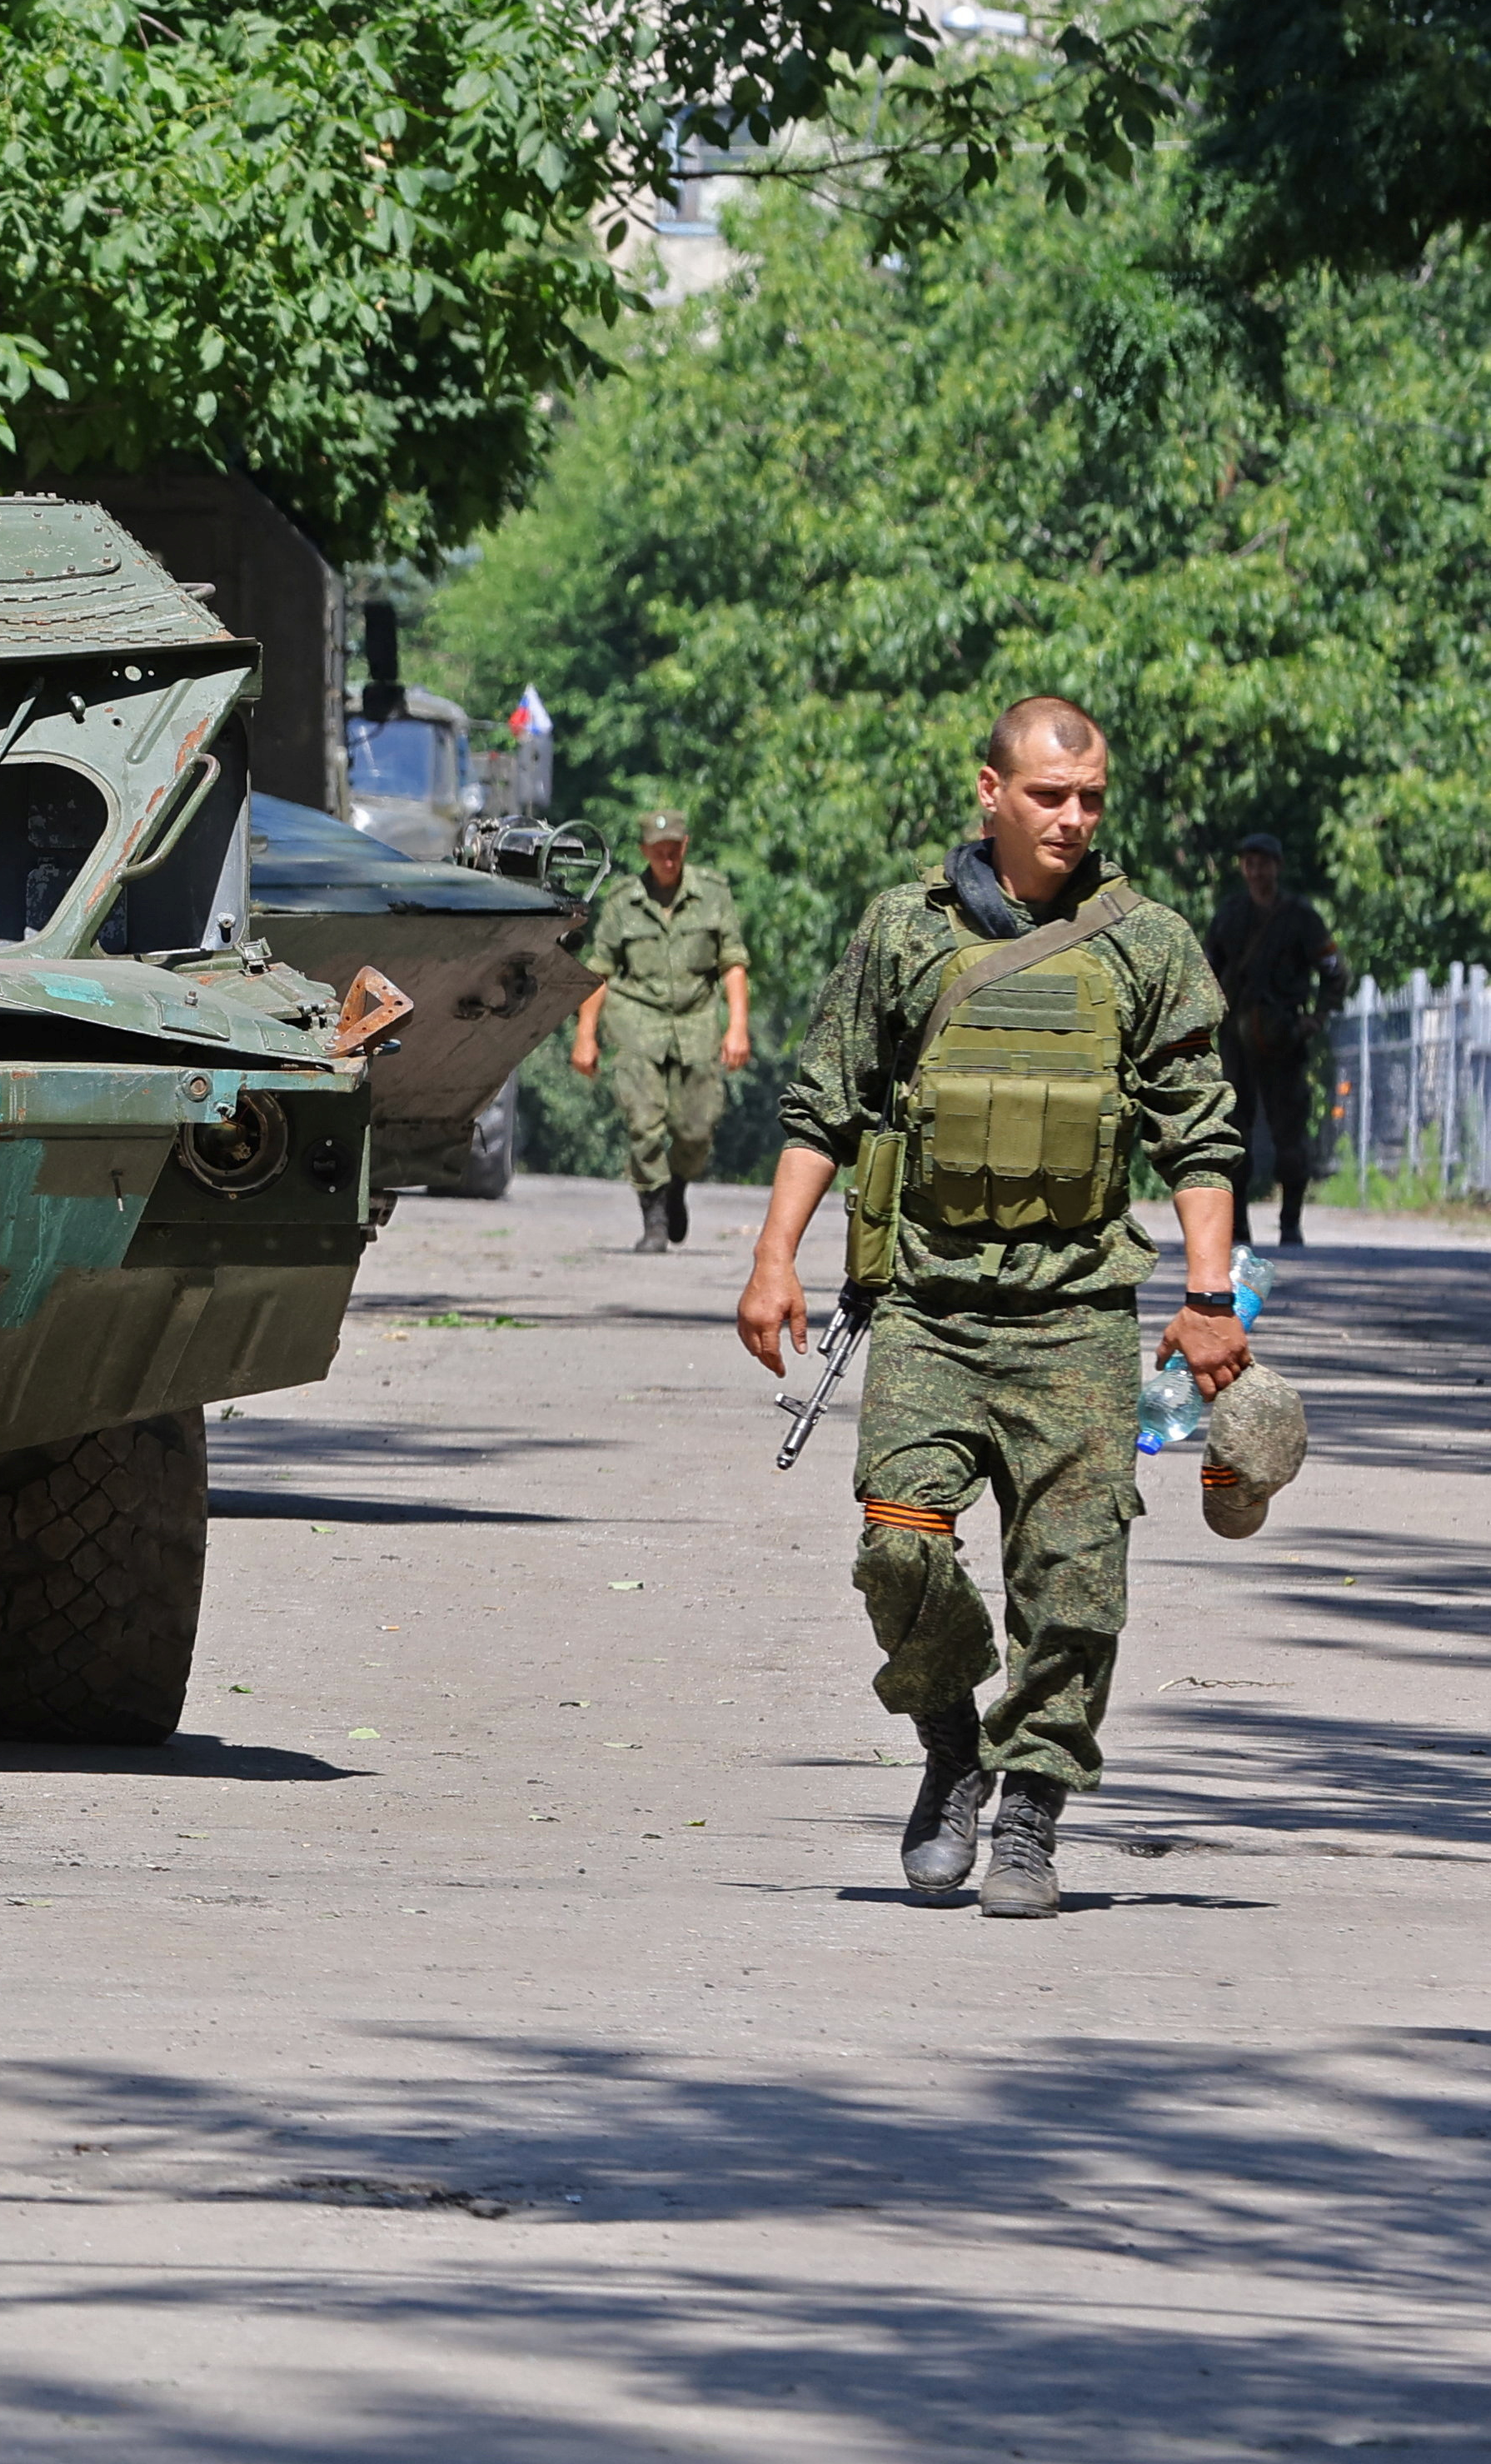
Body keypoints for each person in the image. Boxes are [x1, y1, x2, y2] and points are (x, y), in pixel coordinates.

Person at [734, 697, 1247, 1922]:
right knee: (897, 1545)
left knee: (1075, 1585)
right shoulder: (904, 930)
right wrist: (772, 1258)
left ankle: (1031, 1809)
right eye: (1048, 795)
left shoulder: (1149, 943)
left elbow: (1199, 1132)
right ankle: (952, 1745)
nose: (1072, 818)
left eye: (1091, 798)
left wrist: (1210, 1295)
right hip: (930, 1306)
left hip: (1078, 1315)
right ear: (991, 792)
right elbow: (825, 1104)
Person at [571, 806, 750, 1253]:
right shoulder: (624, 900)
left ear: (685, 847)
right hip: (637, 1021)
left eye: (674, 850)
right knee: (644, 1123)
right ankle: (653, 1217)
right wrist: (585, 1036)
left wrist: (738, 1028)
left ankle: (677, 1186)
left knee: (697, 1128)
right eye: (657, 851)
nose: (667, 859)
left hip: (696, 1020)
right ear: (643, 851)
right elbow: (600, 971)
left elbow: (732, 963)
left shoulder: (713, 894)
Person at [1203, 830, 1345, 1249]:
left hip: (1284, 1038)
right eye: (1249, 863)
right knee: (1233, 1133)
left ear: (1277, 867)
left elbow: (1334, 971)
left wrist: (1316, 1018)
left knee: (1290, 1136)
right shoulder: (1230, 914)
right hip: (1236, 1038)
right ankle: (1237, 1227)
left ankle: (1290, 1224)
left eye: (1263, 863)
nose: (1256, 871)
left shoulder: (1300, 917)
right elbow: (1207, 971)